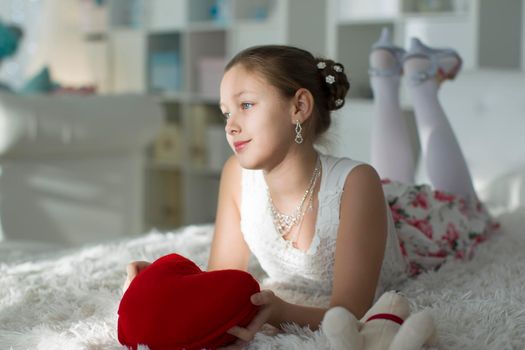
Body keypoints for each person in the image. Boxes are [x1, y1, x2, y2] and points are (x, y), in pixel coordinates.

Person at [124, 29, 498, 347]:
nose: (230, 125)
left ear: (298, 106)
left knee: (465, 207)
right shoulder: (236, 176)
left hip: (419, 224)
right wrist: (161, 286)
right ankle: (385, 76)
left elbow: (350, 311)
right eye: (226, 112)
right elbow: (218, 279)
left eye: (246, 105)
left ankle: (421, 83)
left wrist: (283, 311)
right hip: (373, 203)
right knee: (387, 181)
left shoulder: (357, 183)